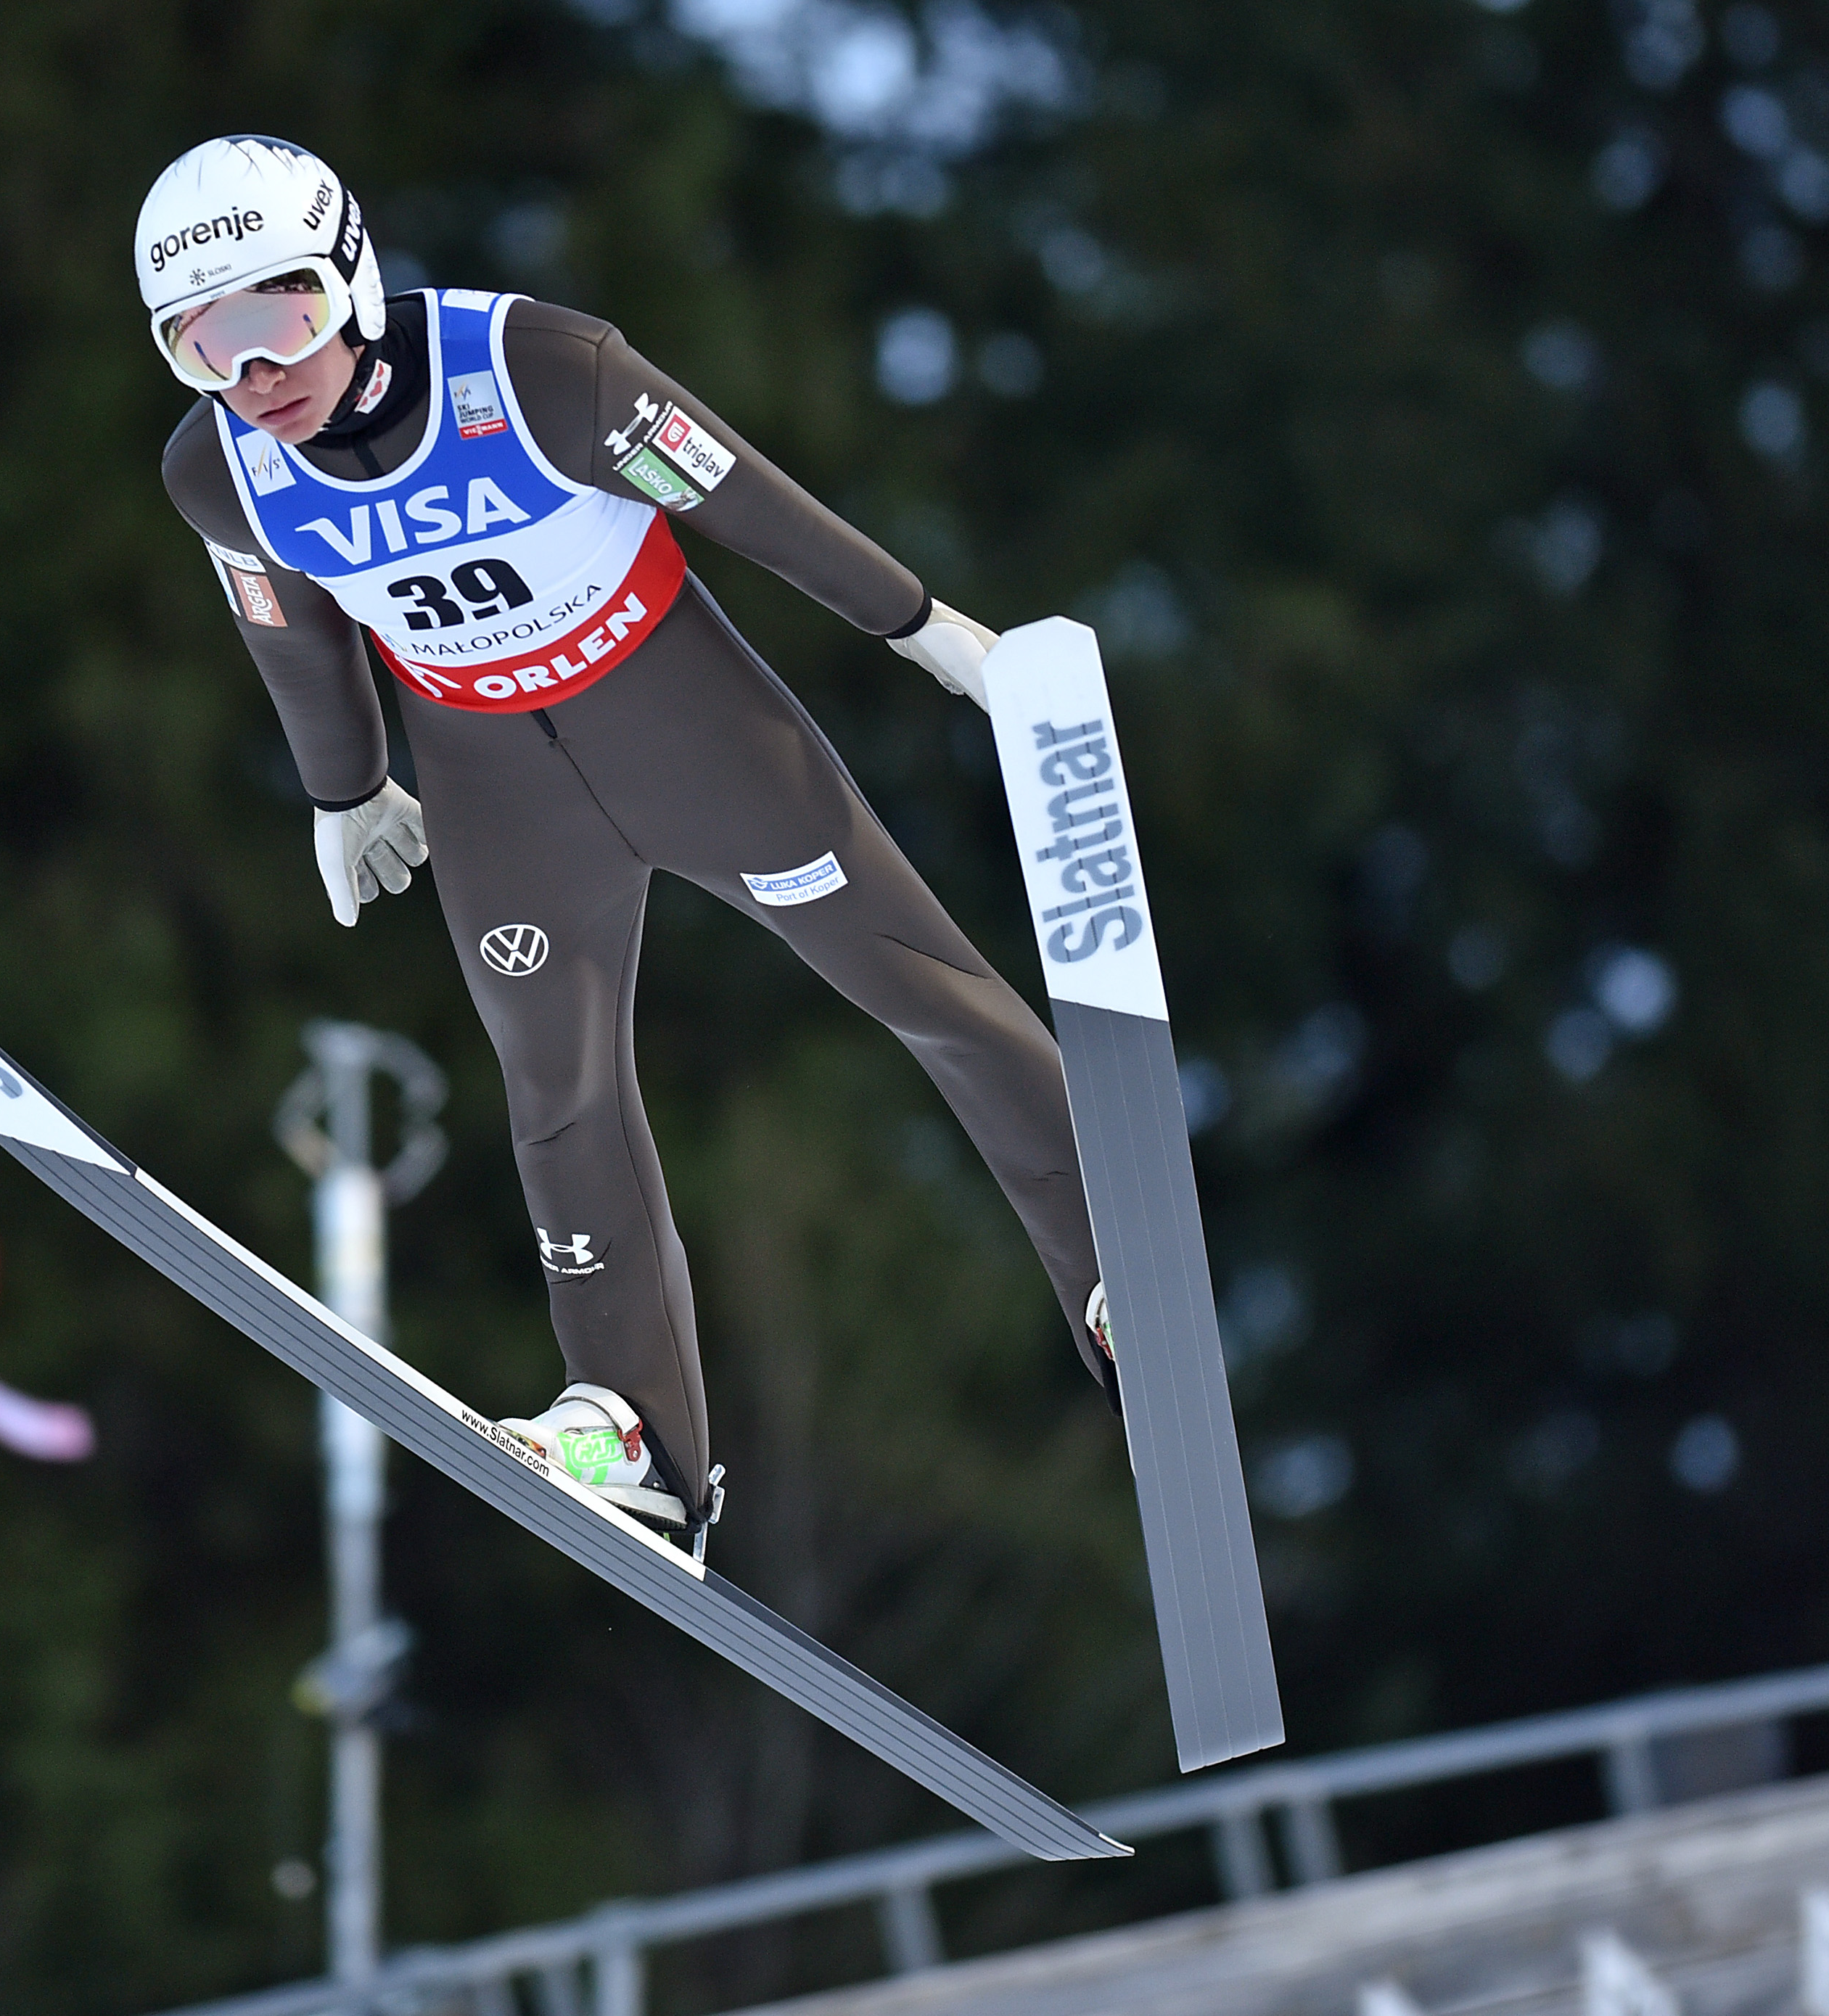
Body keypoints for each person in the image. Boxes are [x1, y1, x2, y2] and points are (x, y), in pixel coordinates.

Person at [140, 135, 1111, 1541]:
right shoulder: (219, 470)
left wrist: (922, 625)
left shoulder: (540, 370)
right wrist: (346, 792)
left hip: (683, 723)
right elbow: (288, 629)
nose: (252, 375)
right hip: (493, 782)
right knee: (559, 1090)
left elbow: (745, 499)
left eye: (273, 318)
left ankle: (1107, 1271)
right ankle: (639, 1436)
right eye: (200, 344)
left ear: (347, 273)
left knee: (913, 979)